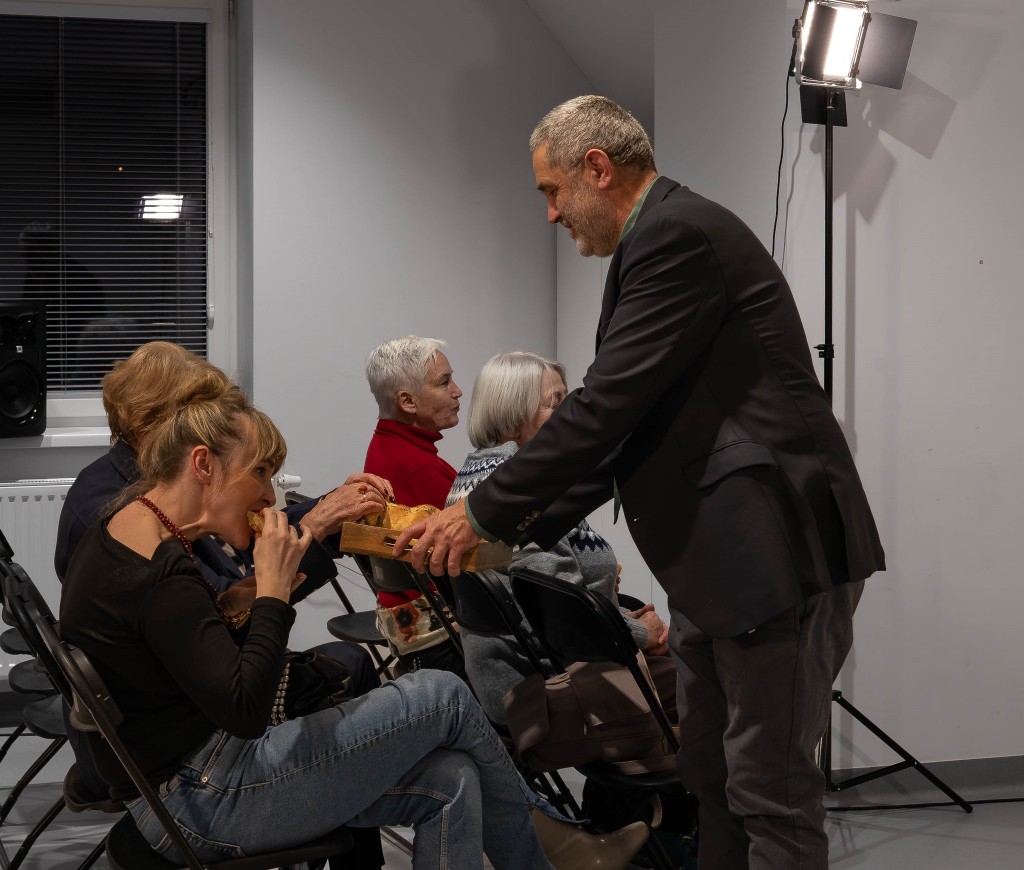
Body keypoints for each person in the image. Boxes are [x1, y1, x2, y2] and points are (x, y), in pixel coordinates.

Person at [396, 95, 886, 870]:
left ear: (597, 168)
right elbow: (620, 434)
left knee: (770, 792)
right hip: (720, 566)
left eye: (552, 190)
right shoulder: (656, 242)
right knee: (712, 777)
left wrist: (481, 513)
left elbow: (605, 408)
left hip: (772, 556)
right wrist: (497, 529)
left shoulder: (675, 236)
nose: (551, 213)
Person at [59, 376, 649, 870]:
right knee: (443, 693)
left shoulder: (128, 527)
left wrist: (260, 584)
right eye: (259, 473)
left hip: (191, 780)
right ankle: (556, 853)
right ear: (203, 465)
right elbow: (244, 710)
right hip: (200, 798)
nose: (268, 497)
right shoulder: (157, 572)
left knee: (453, 779)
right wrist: (273, 595)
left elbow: (191, 642)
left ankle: (554, 850)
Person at [53, 341, 391, 869]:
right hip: (173, 747)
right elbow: (219, 617)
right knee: (358, 678)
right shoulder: (120, 508)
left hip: (183, 710)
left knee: (396, 716)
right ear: (154, 423)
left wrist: (322, 512)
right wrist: (306, 537)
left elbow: (231, 574)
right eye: (200, 411)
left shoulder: (151, 492)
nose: (217, 423)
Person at [445, 350, 669, 724]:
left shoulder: (478, 475)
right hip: (546, 685)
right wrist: (642, 633)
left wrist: (621, 615)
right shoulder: (517, 491)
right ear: (515, 416)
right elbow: (561, 619)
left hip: (527, 669)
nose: (571, 414)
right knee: (699, 673)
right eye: (557, 402)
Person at [363, 335, 465, 675]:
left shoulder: (385, 444)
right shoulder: (420, 467)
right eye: (444, 382)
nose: (457, 391)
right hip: (439, 636)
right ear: (407, 401)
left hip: (408, 621)